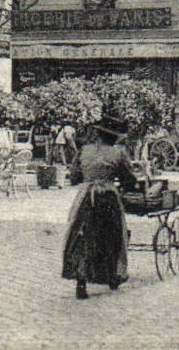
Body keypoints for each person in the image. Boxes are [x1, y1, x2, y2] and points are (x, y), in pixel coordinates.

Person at [61, 118, 137, 299]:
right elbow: (129, 179)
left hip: (86, 197)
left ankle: (81, 279)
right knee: (112, 235)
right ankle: (113, 274)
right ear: (114, 137)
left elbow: (74, 177)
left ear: (98, 135)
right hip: (108, 197)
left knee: (81, 234)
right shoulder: (118, 154)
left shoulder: (83, 151)